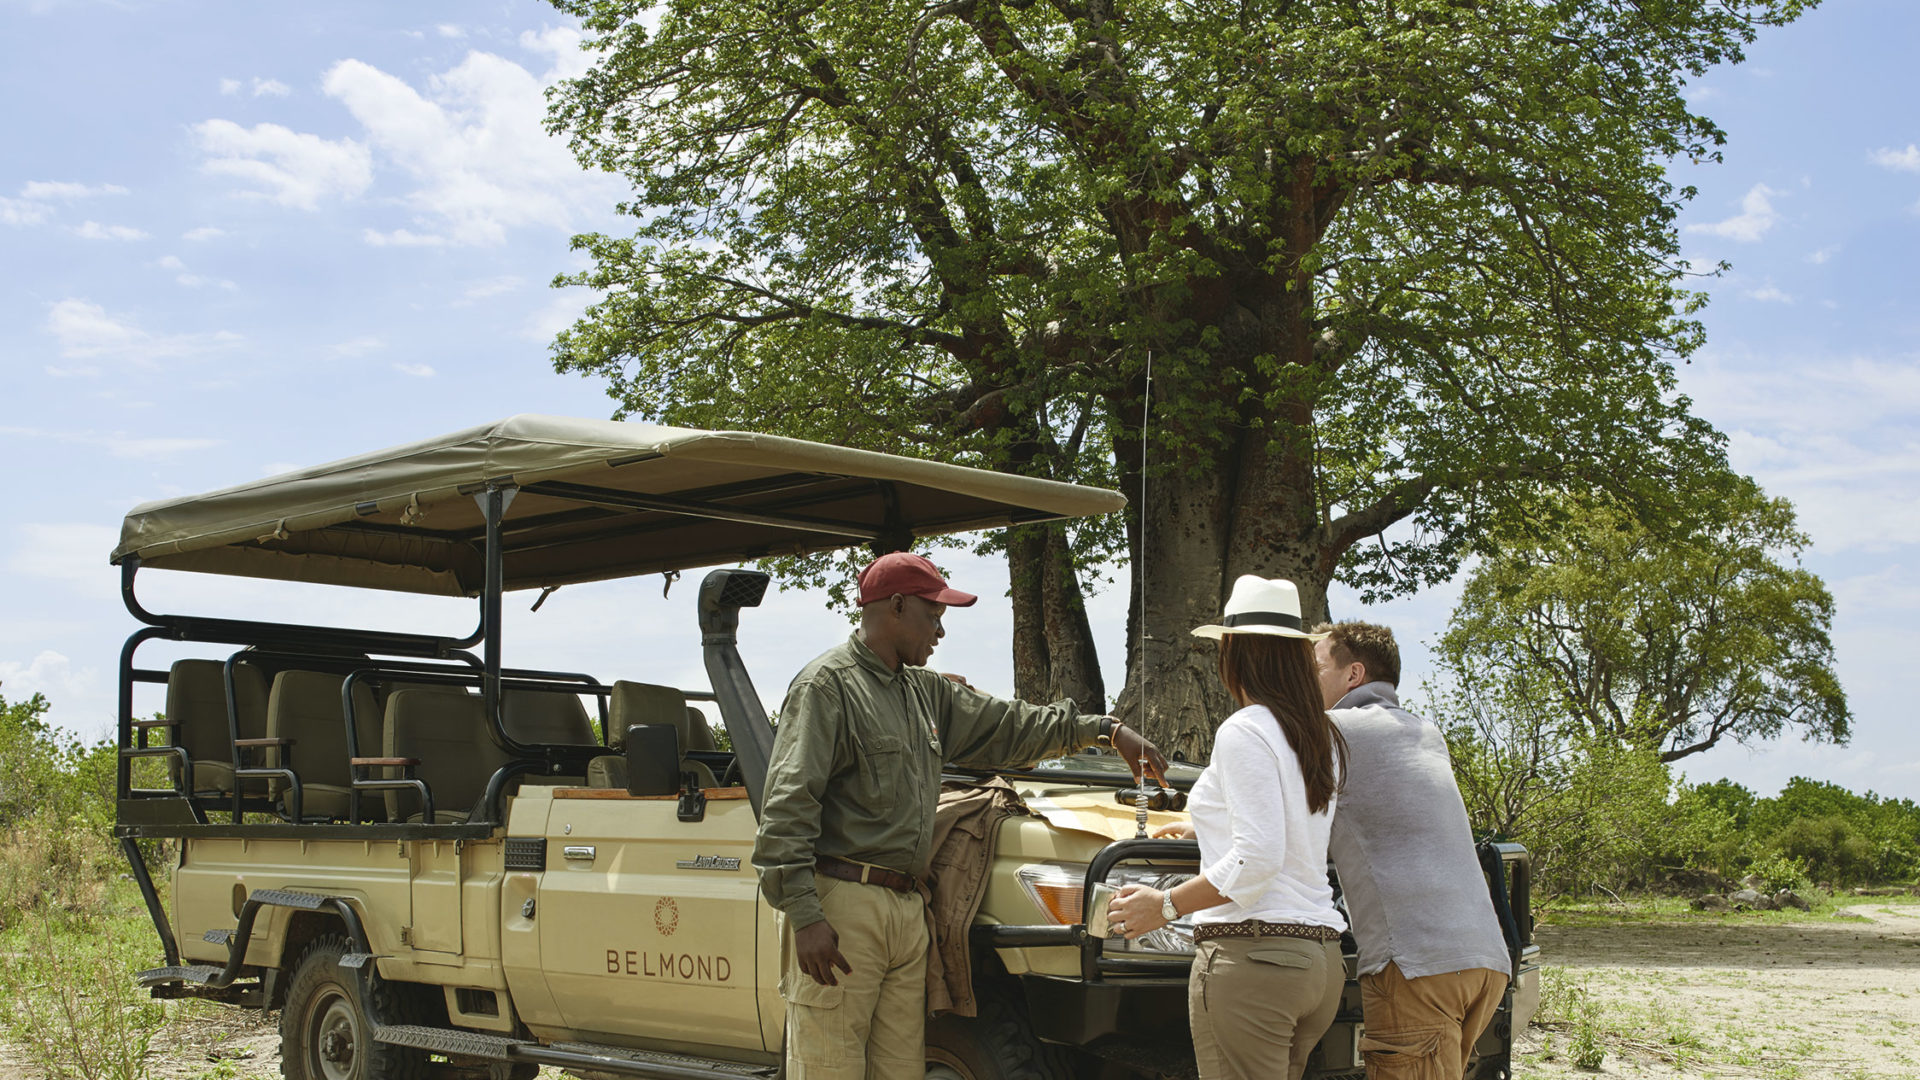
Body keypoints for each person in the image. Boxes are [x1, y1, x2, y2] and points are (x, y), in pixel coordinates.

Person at [752, 551, 1167, 1079]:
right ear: (896, 607)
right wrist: (806, 917)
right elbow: (788, 807)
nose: (940, 632)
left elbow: (1012, 726)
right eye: (933, 616)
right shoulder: (827, 687)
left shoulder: (924, 692)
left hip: (907, 908)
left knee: (901, 1071)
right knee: (828, 1068)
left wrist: (1105, 730)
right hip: (843, 905)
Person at [1104, 575, 1349, 1080]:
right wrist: (1206, 832)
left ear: (1234, 651)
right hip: (1320, 962)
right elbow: (1290, 827)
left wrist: (1163, 905)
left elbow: (1258, 858)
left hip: (1255, 959)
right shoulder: (1320, 734)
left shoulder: (1245, 729)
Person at [1313, 621, 1511, 1080]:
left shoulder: (1332, 731)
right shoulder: (1424, 731)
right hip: (1483, 957)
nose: (1305, 681)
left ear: (1353, 674)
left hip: (1416, 964)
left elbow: (1280, 818)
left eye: (1315, 668)